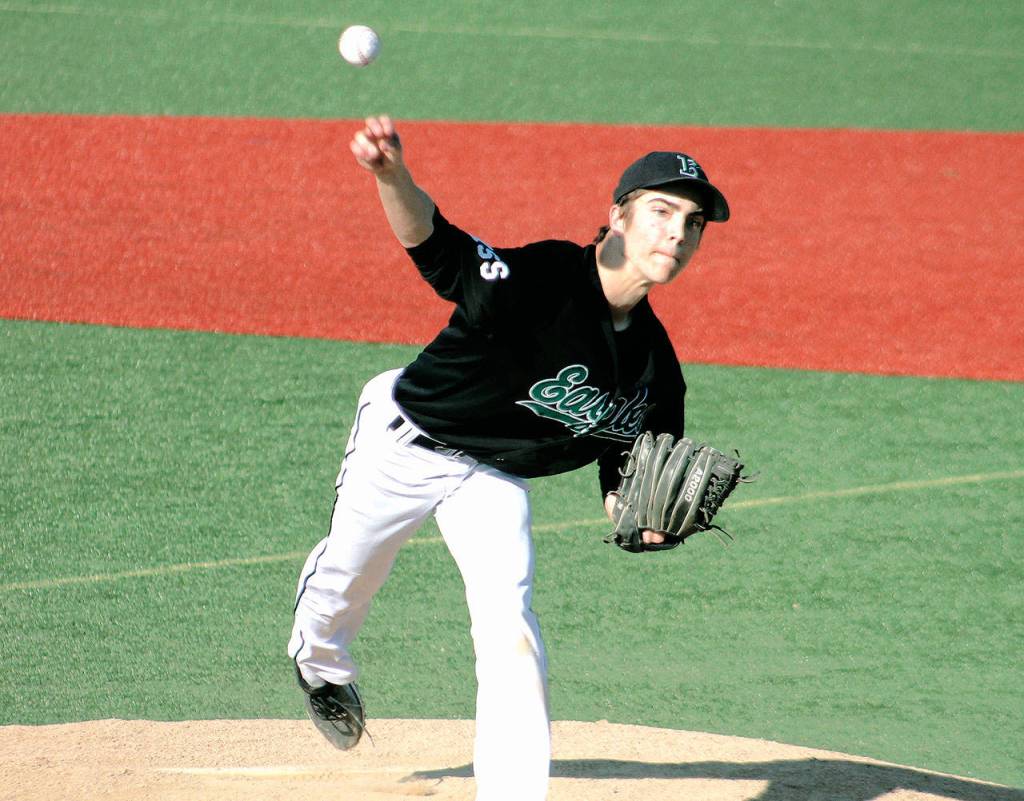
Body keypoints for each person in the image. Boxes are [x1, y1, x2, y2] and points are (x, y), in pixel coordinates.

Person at [288, 114, 730, 800]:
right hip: (407, 437)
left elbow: (624, 478)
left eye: (693, 221)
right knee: (350, 574)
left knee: (509, 622)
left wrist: (645, 520)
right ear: (616, 216)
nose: (677, 231)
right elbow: (438, 249)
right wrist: (391, 174)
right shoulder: (547, 276)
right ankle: (318, 660)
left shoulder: (656, 370)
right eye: (661, 210)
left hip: (492, 476)